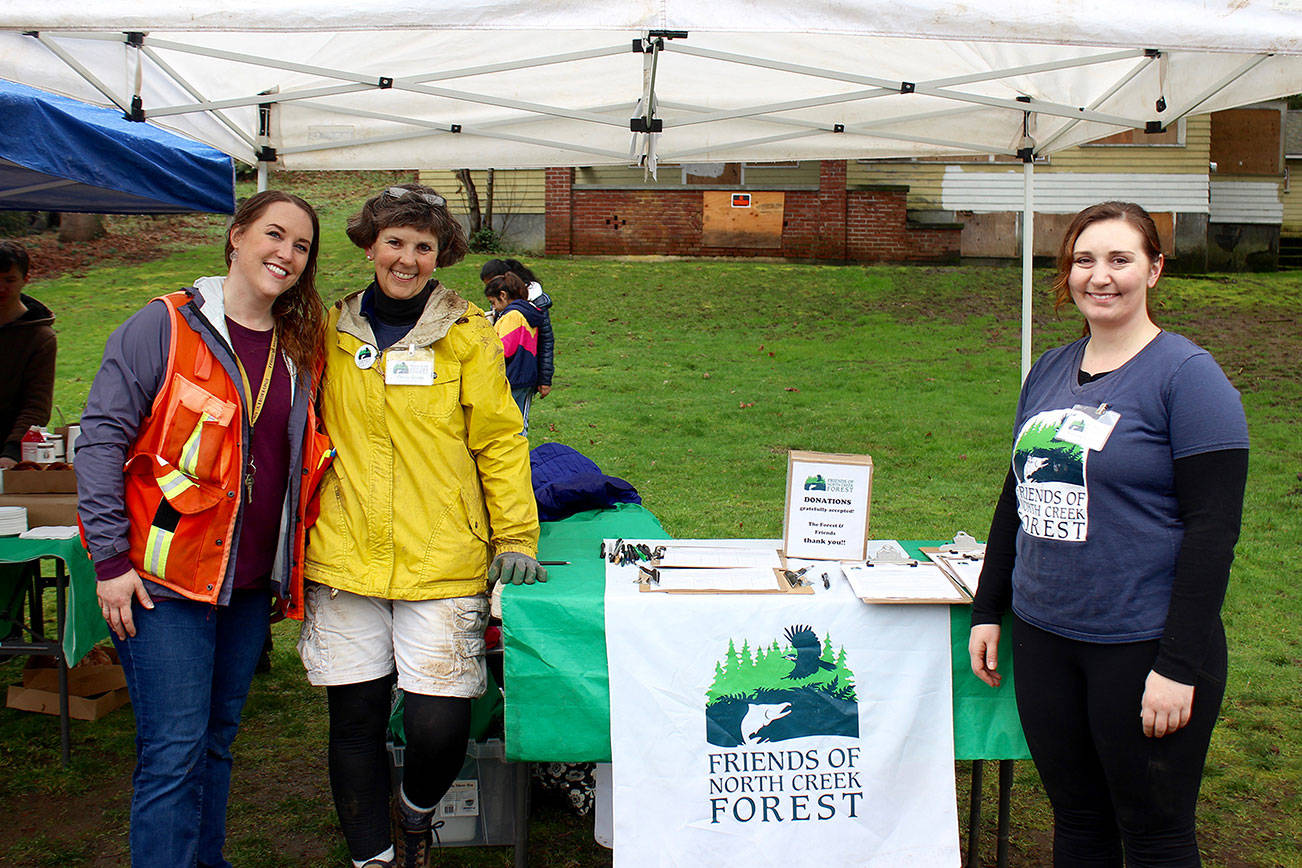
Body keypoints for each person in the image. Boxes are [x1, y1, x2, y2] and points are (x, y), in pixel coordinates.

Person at [968, 201, 1249, 866]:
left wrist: (1177, 666)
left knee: (1153, 831)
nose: (1100, 276)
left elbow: (1214, 532)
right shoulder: (1048, 369)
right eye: (1085, 260)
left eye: (1120, 259)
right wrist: (989, 607)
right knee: (1079, 819)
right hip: (1046, 635)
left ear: (1153, 270)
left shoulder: (1188, 378)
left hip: (1142, 643)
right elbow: (1019, 494)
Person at [76, 191, 330, 868]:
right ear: (236, 236)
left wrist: (282, 568)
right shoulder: (162, 325)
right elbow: (100, 442)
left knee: (216, 745)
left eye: (302, 246)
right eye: (275, 235)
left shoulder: (299, 347)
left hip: (246, 586)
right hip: (164, 584)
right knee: (173, 753)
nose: (286, 254)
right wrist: (109, 563)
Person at [297, 184, 545, 868]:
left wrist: (516, 536)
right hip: (345, 553)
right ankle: (374, 858)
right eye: (395, 243)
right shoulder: (327, 329)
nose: (407, 259)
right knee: (354, 721)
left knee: (442, 722)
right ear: (371, 246)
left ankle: (413, 814)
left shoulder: (468, 333)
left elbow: (499, 440)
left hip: (441, 551)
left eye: (423, 247)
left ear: (442, 256)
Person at [0, 240, 56, 468]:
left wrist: (11, 452)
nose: (1, 288)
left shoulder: (40, 338)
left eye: (9, 280)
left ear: (25, 280)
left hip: (8, 450)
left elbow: (36, 406)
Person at [480, 257, 554, 399]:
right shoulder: (503, 303)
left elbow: (546, 342)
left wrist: (545, 379)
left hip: (522, 375)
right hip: (509, 375)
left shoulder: (525, 308)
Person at [483, 271, 544, 434]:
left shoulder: (512, 316)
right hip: (525, 376)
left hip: (513, 377)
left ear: (502, 295)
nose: (493, 307)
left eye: (493, 302)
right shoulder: (527, 312)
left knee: (511, 425)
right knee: (518, 421)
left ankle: (516, 456)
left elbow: (504, 350)